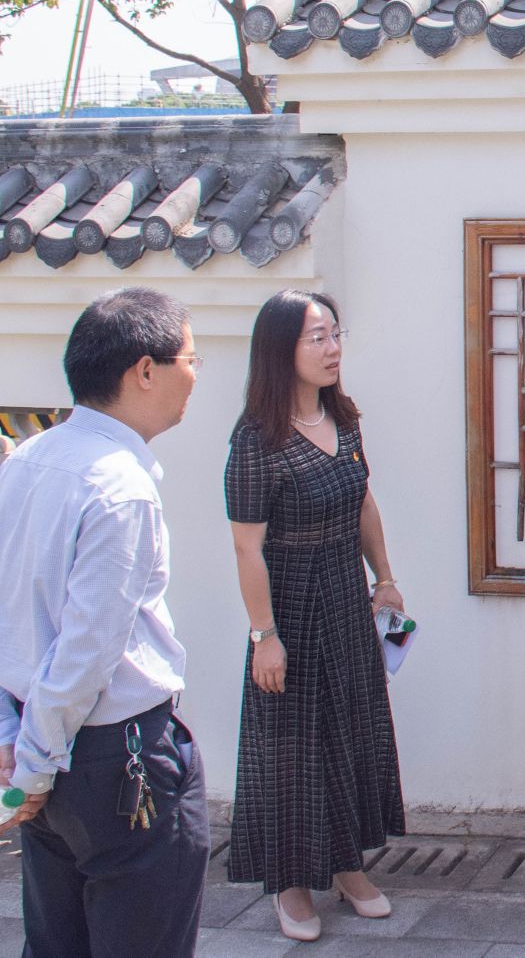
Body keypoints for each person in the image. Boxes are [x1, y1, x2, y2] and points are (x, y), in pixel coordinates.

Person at [0, 287, 209, 958]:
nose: (195, 375)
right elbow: (88, 649)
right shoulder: (119, 487)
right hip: (112, 756)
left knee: (57, 942)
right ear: (145, 370)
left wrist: (4, 743)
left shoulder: (24, 461)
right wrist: (31, 768)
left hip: (40, 742)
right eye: (190, 358)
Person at [225, 289, 406, 941]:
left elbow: (363, 501)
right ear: (281, 350)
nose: (332, 349)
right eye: (317, 337)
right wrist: (264, 636)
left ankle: (347, 866)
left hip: (345, 596)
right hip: (291, 609)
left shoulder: (343, 418)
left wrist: (385, 578)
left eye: (335, 334)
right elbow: (247, 547)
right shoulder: (257, 440)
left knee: (351, 731)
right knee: (291, 747)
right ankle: (292, 885)